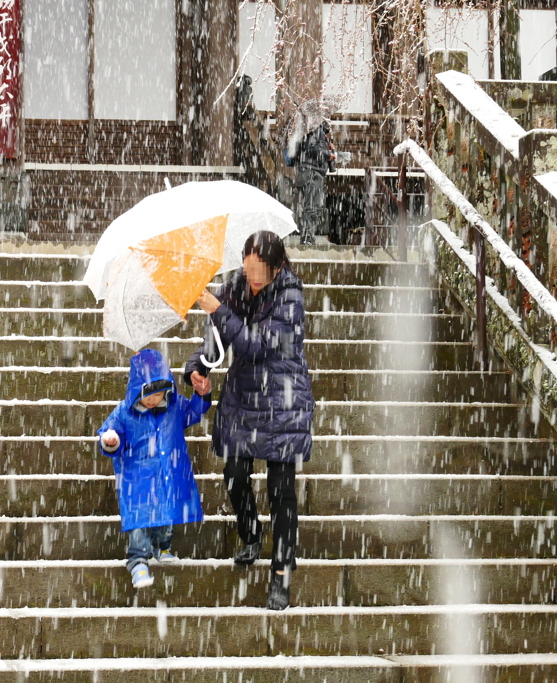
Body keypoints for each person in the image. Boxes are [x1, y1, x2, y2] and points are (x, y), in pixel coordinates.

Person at [185, 230, 314, 610]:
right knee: (235, 473)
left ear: (277, 268)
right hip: (244, 397)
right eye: (248, 266)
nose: (252, 275)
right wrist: (198, 367)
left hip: (283, 401)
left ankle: (281, 574)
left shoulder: (291, 297)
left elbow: (256, 345)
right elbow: (217, 338)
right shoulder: (237, 286)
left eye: (260, 269)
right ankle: (250, 532)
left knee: (281, 490)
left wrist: (216, 309)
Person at [98, 348, 213, 589]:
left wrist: (201, 395)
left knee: (165, 513)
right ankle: (138, 561)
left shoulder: (174, 406)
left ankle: (163, 546)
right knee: (139, 520)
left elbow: (193, 413)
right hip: (137, 475)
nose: (152, 399)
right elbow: (110, 434)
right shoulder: (124, 412)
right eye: (146, 394)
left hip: (167, 471)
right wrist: (111, 441)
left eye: (158, 393)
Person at [285, 100, 336, 245]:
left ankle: (307, 235)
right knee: (312, 206)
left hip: (305, 171)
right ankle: (307, 237)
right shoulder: (315, 130)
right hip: (311, 173)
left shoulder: (308, 130)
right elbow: (313, 149)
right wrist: (328, 155)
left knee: (309, 205)